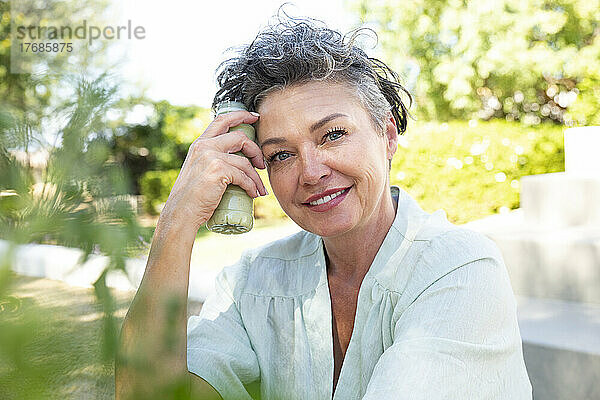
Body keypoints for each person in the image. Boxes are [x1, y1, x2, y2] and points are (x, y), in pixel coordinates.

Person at [116, 12, 532, 400]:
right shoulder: (251, 282)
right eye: (280, 155)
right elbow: (146, 392)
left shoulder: (460, 269)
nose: (311, 172)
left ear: (387, 134)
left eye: (332, 134)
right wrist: (177, 220)